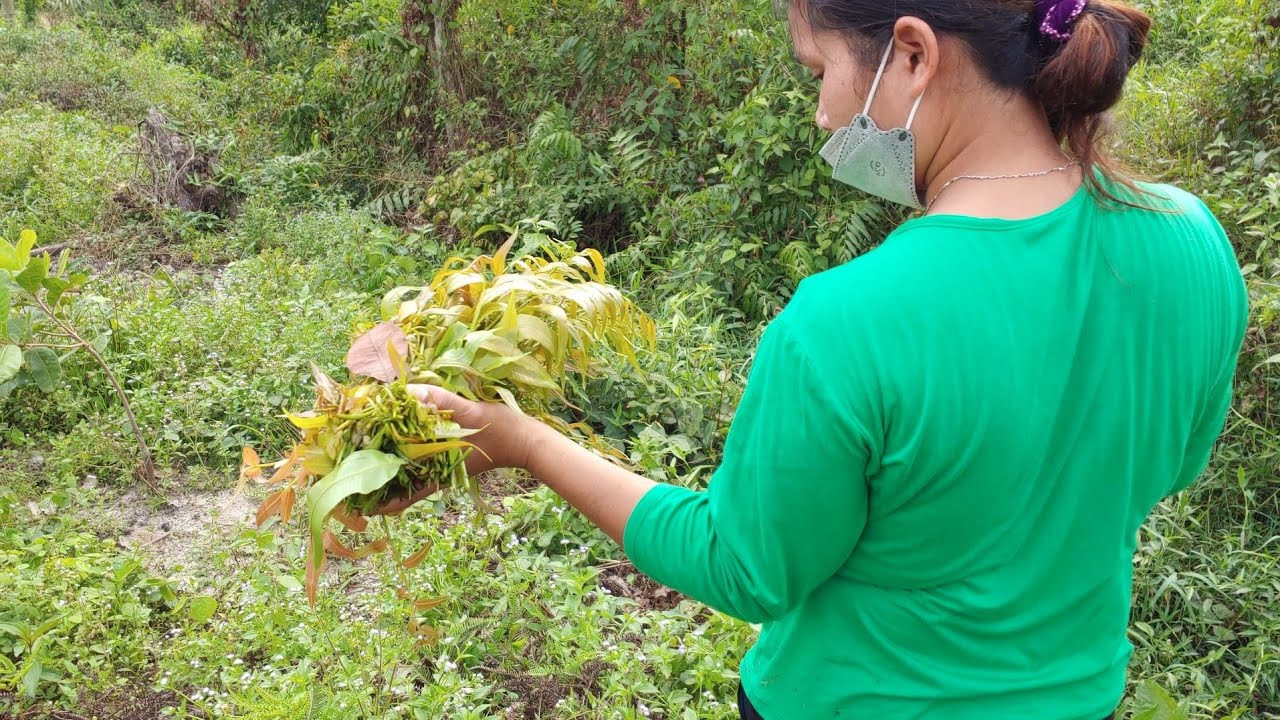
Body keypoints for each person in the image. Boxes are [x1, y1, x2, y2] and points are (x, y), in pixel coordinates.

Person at [379, 0, 1249, 717]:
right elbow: (1170, 465)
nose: (826, 114)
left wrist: (525, 443)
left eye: (819, 71)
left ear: (912, 54)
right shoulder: (1191, 242)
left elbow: (745, 566)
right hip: (1075, 698)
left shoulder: (848, 319)